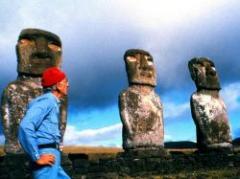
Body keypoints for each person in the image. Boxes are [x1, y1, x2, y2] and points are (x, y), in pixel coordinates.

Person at [18, 67, 70, 179]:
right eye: (65, 81)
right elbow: (25, 126)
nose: (68, 85)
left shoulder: (53, 103)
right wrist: (37, 157)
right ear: (57, 85)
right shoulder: (47, 101)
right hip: (46, 154)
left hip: (52, 154)